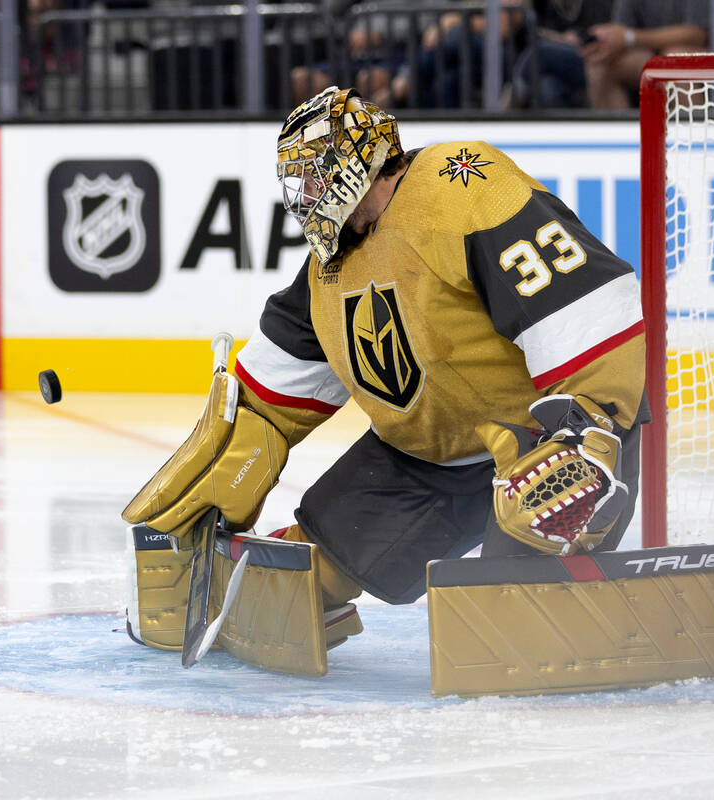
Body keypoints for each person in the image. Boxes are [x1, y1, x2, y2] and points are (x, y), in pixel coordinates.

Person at [122, 87, 648, 671]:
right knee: (286, 587)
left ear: (357, 162)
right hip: (424, 456)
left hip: (542, 451)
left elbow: (586, 303)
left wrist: (587, 433)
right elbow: (271, 395)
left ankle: (578, 567)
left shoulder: (461, 186)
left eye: (313, 179)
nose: (305, 199)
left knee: (510, 632)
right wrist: (233, 449)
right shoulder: (332, 264)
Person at [581, 0, 710, 109]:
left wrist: (630, 38)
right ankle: (615, 137)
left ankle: (696, 136)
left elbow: (698, 35)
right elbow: (621, 31)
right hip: (650, 53)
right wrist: (605, 41)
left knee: (674, 61)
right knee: (601, 62)